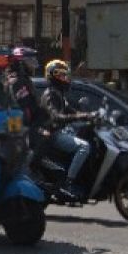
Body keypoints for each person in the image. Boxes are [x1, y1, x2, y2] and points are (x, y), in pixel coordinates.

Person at [41, 59, 95, 201]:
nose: (65, 79)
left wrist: (89, 116)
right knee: (84, 147)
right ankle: (68, 183)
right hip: (52, 134)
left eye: (66, 75)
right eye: (62, 75)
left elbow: (72, 111)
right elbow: (56, 116)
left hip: (60, 131)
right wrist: (75, 117)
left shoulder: (58, 94)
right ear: (53, 76)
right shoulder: (50, 95)